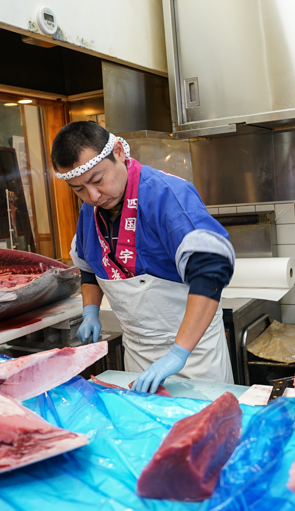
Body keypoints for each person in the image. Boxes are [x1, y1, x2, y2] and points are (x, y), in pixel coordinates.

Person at [52, 122, 235, 393]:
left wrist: (178, 354)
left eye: (98, 180)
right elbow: (89, 265)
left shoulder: (167, 194)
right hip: (138, 354)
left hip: (195, 356)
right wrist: (90, 311)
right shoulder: (89, 210)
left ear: (118, 152)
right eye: (79, 189)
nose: (92, 196)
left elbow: (210, 272)